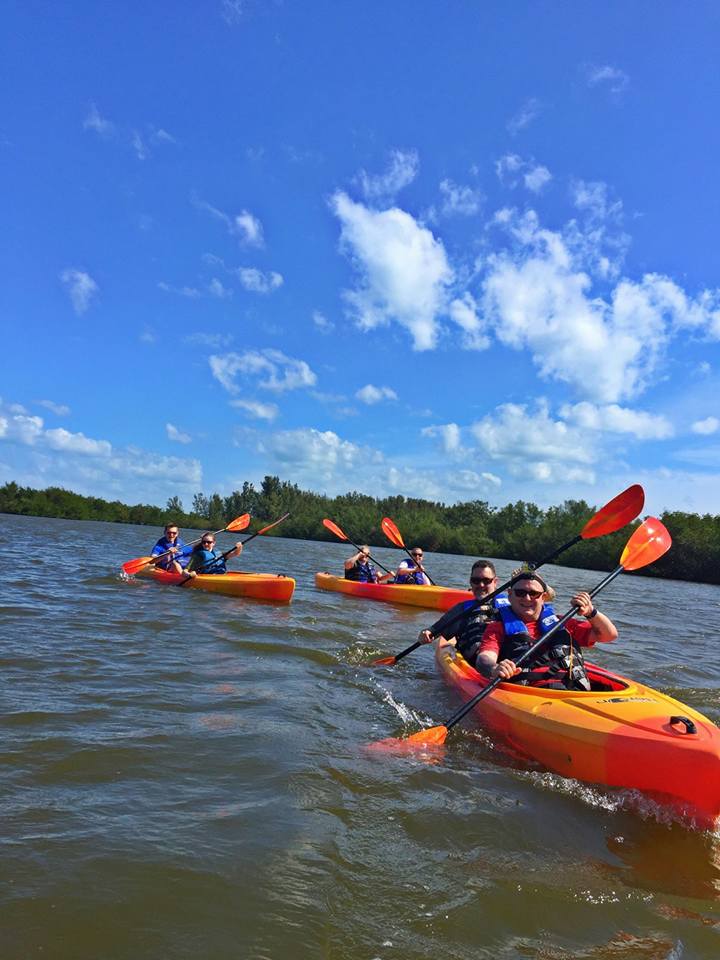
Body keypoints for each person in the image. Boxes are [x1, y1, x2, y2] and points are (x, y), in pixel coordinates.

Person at [475, 571, 618, 690]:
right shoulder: (498, 627)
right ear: (510, 595)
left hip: (576, 690)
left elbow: (608, 635)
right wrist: (495, 668)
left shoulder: (562, 622)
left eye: (534, 593)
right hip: (533, 694)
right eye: (520, 593)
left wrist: (590, 612)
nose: (527, 598)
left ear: (543, 597)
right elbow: (484, 658)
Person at [418, 560, 503, 661]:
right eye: (476, 580)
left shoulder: (512, 605)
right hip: (475, 662)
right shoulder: (461, 609)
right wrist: (425, 633)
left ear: (495, 582)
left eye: (486, 580)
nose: (481, 585)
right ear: (470, 582)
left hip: (508, 661)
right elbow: (433, 631)